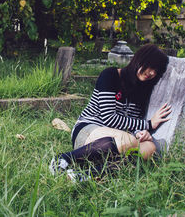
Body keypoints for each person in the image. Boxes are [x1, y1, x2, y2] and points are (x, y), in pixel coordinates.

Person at [49, 44, 171, 182]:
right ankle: (64, 158)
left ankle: (85, 175)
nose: (152, 73)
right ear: (140, 60)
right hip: (89, 130)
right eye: (151, 66)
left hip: (119, 138)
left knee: (150, 148)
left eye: (156, 71)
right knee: (128, 140)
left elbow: (133, 120)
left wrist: (139, 132)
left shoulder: (143, 90)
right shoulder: (110, 75)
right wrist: (148, 124)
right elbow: (109, 119)